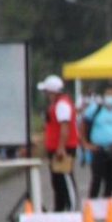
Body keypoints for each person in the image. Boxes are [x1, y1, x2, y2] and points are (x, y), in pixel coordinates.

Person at [38, 75, 80, 212]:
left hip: (63, 148)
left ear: (52, 92)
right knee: (57, 181)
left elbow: (64, 127)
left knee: (65, 178)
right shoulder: (56, 104)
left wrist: (61, 147)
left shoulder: (62, 104)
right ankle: (59, 208)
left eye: (46, 92)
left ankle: (72, 208)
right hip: (56, 147)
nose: (45, 95)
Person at [83, 91, 112, 198]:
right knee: (97, 178)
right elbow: (84, 124)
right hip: (99, 148)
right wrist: (86, 143)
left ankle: (107, 204)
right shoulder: (95, 109)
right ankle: (92, 204)